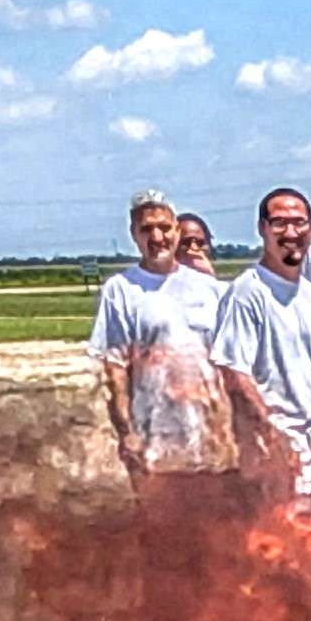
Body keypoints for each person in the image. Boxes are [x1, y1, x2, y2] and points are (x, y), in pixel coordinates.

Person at [214, 183, 311, 529]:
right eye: (279, 223)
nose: (291, 233)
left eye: (299, 223)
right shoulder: (247, 293)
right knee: (278, 575)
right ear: (262, 229)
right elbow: (234, 373)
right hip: (274, 474)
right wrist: (274, 436)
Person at [89, 193, 233, 467]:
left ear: (176, 230)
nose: (157, 237)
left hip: (210, 432)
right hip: (155, 435)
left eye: (164, 228)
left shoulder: (211, 289)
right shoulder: (120, 290)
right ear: (134, 235)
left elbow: (234, 362)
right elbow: (115, 368)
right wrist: (127, 433)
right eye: (146, 229)